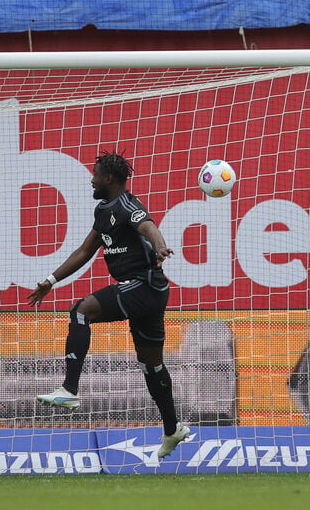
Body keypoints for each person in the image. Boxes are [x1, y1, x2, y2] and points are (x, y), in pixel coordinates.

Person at [27, 151, 191, 459]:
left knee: (80, 310)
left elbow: (149, 227)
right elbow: (85, 250)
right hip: (148, 292)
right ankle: (172, 430)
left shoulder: (129, 205)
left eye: (95, 174)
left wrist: (159, 248)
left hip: (144, 285)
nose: (91, 179)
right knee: (151, 365)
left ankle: (69, 390)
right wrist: (50, 280)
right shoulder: (103, 211)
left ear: (109, 178)